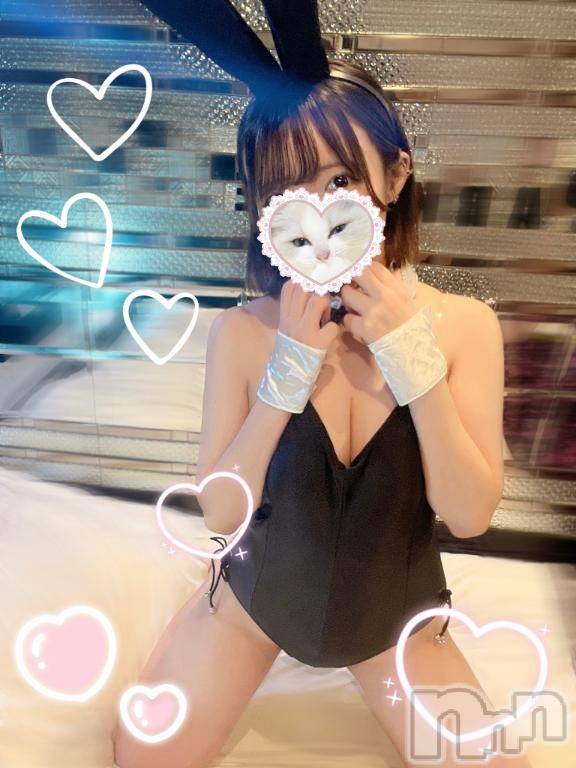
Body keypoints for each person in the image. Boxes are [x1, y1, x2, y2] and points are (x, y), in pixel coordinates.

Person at [113, 48, 533, 768]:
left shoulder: (465, 328)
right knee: (144, 755)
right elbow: (218, 515)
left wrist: (415, 365)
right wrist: (285, 376)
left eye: (340, 180)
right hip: (257, 602)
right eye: (285, 190)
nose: (317, 211)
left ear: (395, 176)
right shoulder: (242, 333)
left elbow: (468, 515)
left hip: (394, 618)